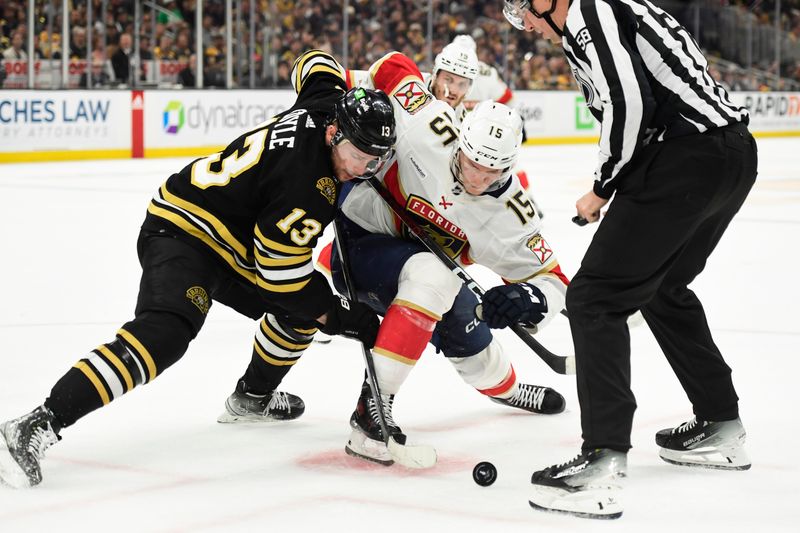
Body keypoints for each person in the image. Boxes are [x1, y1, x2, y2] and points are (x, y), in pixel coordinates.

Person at [0, 50, 395, 488]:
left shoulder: (324, 105)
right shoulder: (304, 190)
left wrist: (355, 87)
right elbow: (281, 282)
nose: (364, 169)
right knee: (166, 334)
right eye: (359, 155)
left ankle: (252, 397)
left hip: (229, 240)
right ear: (335, 132)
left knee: (301, 315)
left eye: (375, 159)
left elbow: (316, 63)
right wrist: (343, 317)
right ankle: (36, 424)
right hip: (183, 232)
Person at [226, 51, 569, 466]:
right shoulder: (428, 122)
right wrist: (325, 103)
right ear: (458, 138)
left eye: (490, 173)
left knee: (475, 350)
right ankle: (368, 412)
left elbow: (555, 282)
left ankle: (510, 390)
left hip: (420, 263)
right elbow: (389, 66)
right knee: (415, 282)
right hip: (361, 236)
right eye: (469, 161)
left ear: (511, 167)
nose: (475, 177)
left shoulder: (512, 217)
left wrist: (529, 300)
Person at [502, 0, 758, 519]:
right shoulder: (608, 15)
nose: (522, 23)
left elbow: (628, 104)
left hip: (687, 159)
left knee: (594, 297)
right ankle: (721, 425)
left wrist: (603, 186)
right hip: (728, 155)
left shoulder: (591, 11)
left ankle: (601, 462)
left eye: (522, 9)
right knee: (663, 288)